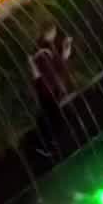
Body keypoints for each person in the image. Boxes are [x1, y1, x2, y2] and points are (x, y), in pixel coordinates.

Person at [29, 26, 73, 162]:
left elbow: (57, 66)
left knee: (51, 119)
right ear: (46, 33)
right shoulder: (42, 52)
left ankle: (45, 147)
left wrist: (65, 49)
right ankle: (44, 147)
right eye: (52, 31)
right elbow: (52, 70)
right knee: (55, 120)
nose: (55, 33)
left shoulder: (46, 50)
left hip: (48, 90)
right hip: (47, 91)